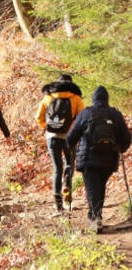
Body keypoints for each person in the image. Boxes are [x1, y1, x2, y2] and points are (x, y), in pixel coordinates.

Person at [66, 85, 131, 233]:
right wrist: (120, 148)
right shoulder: (115, 115)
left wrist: (70, 148)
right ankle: (97, 217)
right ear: (107, 99)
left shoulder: (85, 114)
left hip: (88, 159)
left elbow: (71, 137)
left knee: (93, 189)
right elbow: (127, 138)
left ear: (93, 99)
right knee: (99, 188)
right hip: (109, 160)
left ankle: (95, 219)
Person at [35, 73, 84, 212]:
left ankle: (58, 203)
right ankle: (67, 184)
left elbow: (38, 117)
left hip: (52, 137)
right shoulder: (75, 98)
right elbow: (82, 118)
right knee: (69, 163)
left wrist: (48, 127)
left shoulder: (48, 97)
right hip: (69, 137)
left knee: (57, 167)